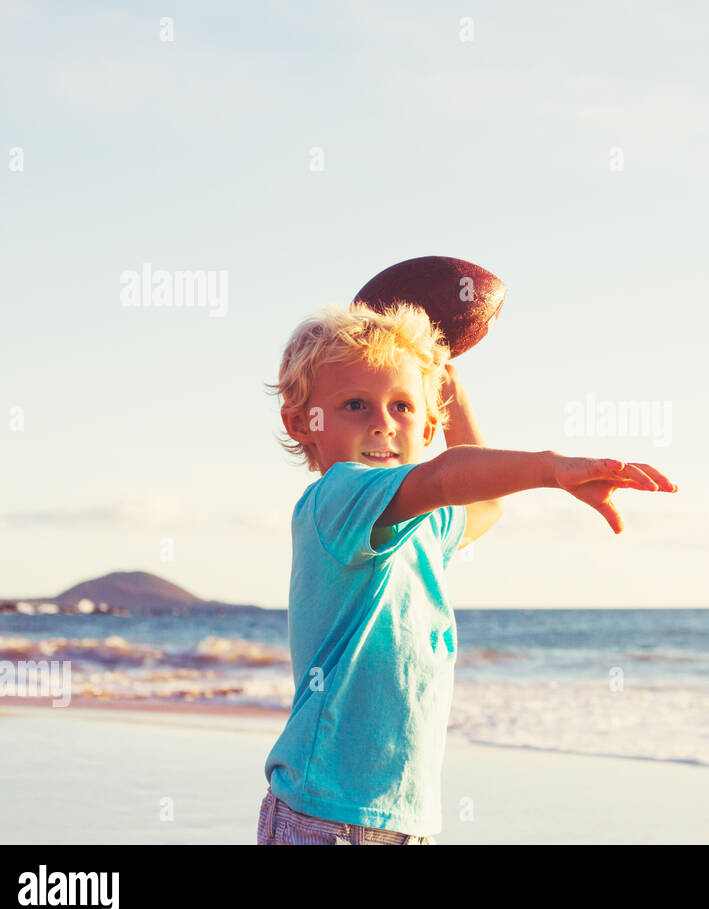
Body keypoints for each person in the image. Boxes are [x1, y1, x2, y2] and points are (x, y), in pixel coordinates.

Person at [256, 300, 677, 844]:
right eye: (356, 405)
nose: (383, 424)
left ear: (431, 421)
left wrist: (448, 385)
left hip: (402, 817)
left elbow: (483, 504)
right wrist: (550, 467)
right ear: (301, 423)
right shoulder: (335, 500)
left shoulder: (422, 525)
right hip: (324, 814)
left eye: (403, 406)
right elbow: (445, 478)